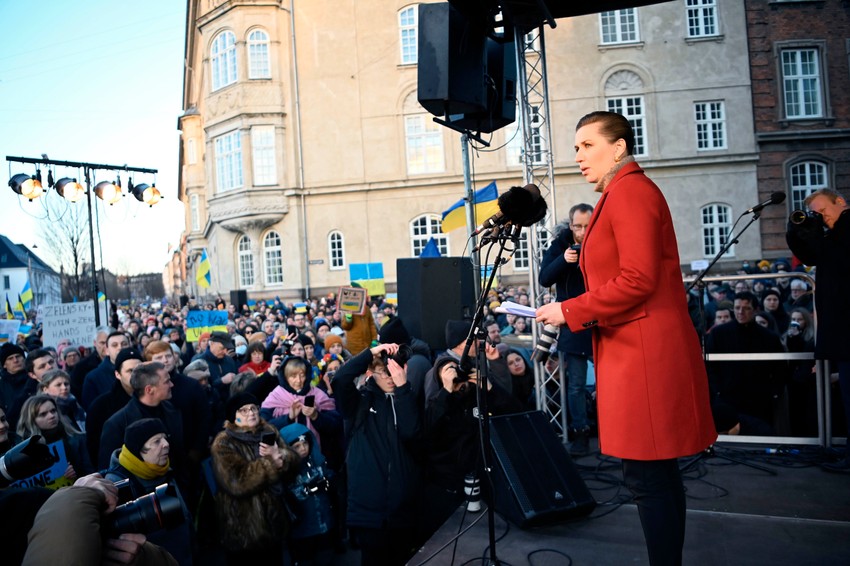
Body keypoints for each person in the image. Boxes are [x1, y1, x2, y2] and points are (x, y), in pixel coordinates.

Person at [536, 111, 715, 566]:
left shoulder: (631, 192)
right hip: (634, 350)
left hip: (643, 355)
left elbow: (638, 279)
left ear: (618, 147)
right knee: (654, 475)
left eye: (587, 146)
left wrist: (569, 309)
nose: (577, 156)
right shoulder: (620, 193)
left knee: (647, 477)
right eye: (575, 147)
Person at [331, 343, 421, 566]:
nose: (390, 378)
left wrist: (403, 390)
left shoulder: (407, 396)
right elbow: (340, 380)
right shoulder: (360, 401)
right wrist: (370, 353)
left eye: (394, 371)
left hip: (403, 508)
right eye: (384, 372)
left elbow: (412, 433)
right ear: (370, 373)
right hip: (369, 510)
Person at [786, 188, 850, 472]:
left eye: (823, 211)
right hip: (843, 329)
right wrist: (796, 230)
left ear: (841, 202)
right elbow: (812, 256)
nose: (822, 218)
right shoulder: (833, 236)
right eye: (817, 214)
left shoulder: (846, 230)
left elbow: (828, 253)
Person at [210, 392, 298, 565]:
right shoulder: (223, 443)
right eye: (243, 410)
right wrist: (271, 462)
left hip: (274, 523)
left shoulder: (268, 430)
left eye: (253, 408)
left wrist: (281, 455)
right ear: (233, 417)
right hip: (245, 528)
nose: (251, 413)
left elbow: (294, 460)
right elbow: (237, 482)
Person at [539, 202, 595, 455]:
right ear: (570, 225)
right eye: (578, 226)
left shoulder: (605, 237)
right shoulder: (561, 243)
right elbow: (544, 278)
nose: (582, 232)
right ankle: (580, 432)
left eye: (587, 226)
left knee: (612, 379)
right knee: (576, 384)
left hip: (603, 317)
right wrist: (564, 259)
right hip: (573, 320)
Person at [104, 418, 193, 566]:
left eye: (165, 438)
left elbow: (185, 517)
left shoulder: (162, 468)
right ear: (138, 450)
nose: (166, 444)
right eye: (157, 441)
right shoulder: (115, 485)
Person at [280, 423, 335, 566]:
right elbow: (291, 495)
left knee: (326, 558)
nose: (303, 448)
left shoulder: (318, 461)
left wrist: (329, 480)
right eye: (296, 446)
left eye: (305, 443)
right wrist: (311, 489)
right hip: (302, 531)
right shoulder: (287, 471)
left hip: (324, 525)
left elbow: (328, 480)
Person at [17, 394, 94, 482]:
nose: (51, 416)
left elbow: (89, 472)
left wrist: (76, 474)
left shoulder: (76, 439)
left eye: (53, 411)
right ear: (32, 420)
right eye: (43, 414)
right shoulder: (23, 449)